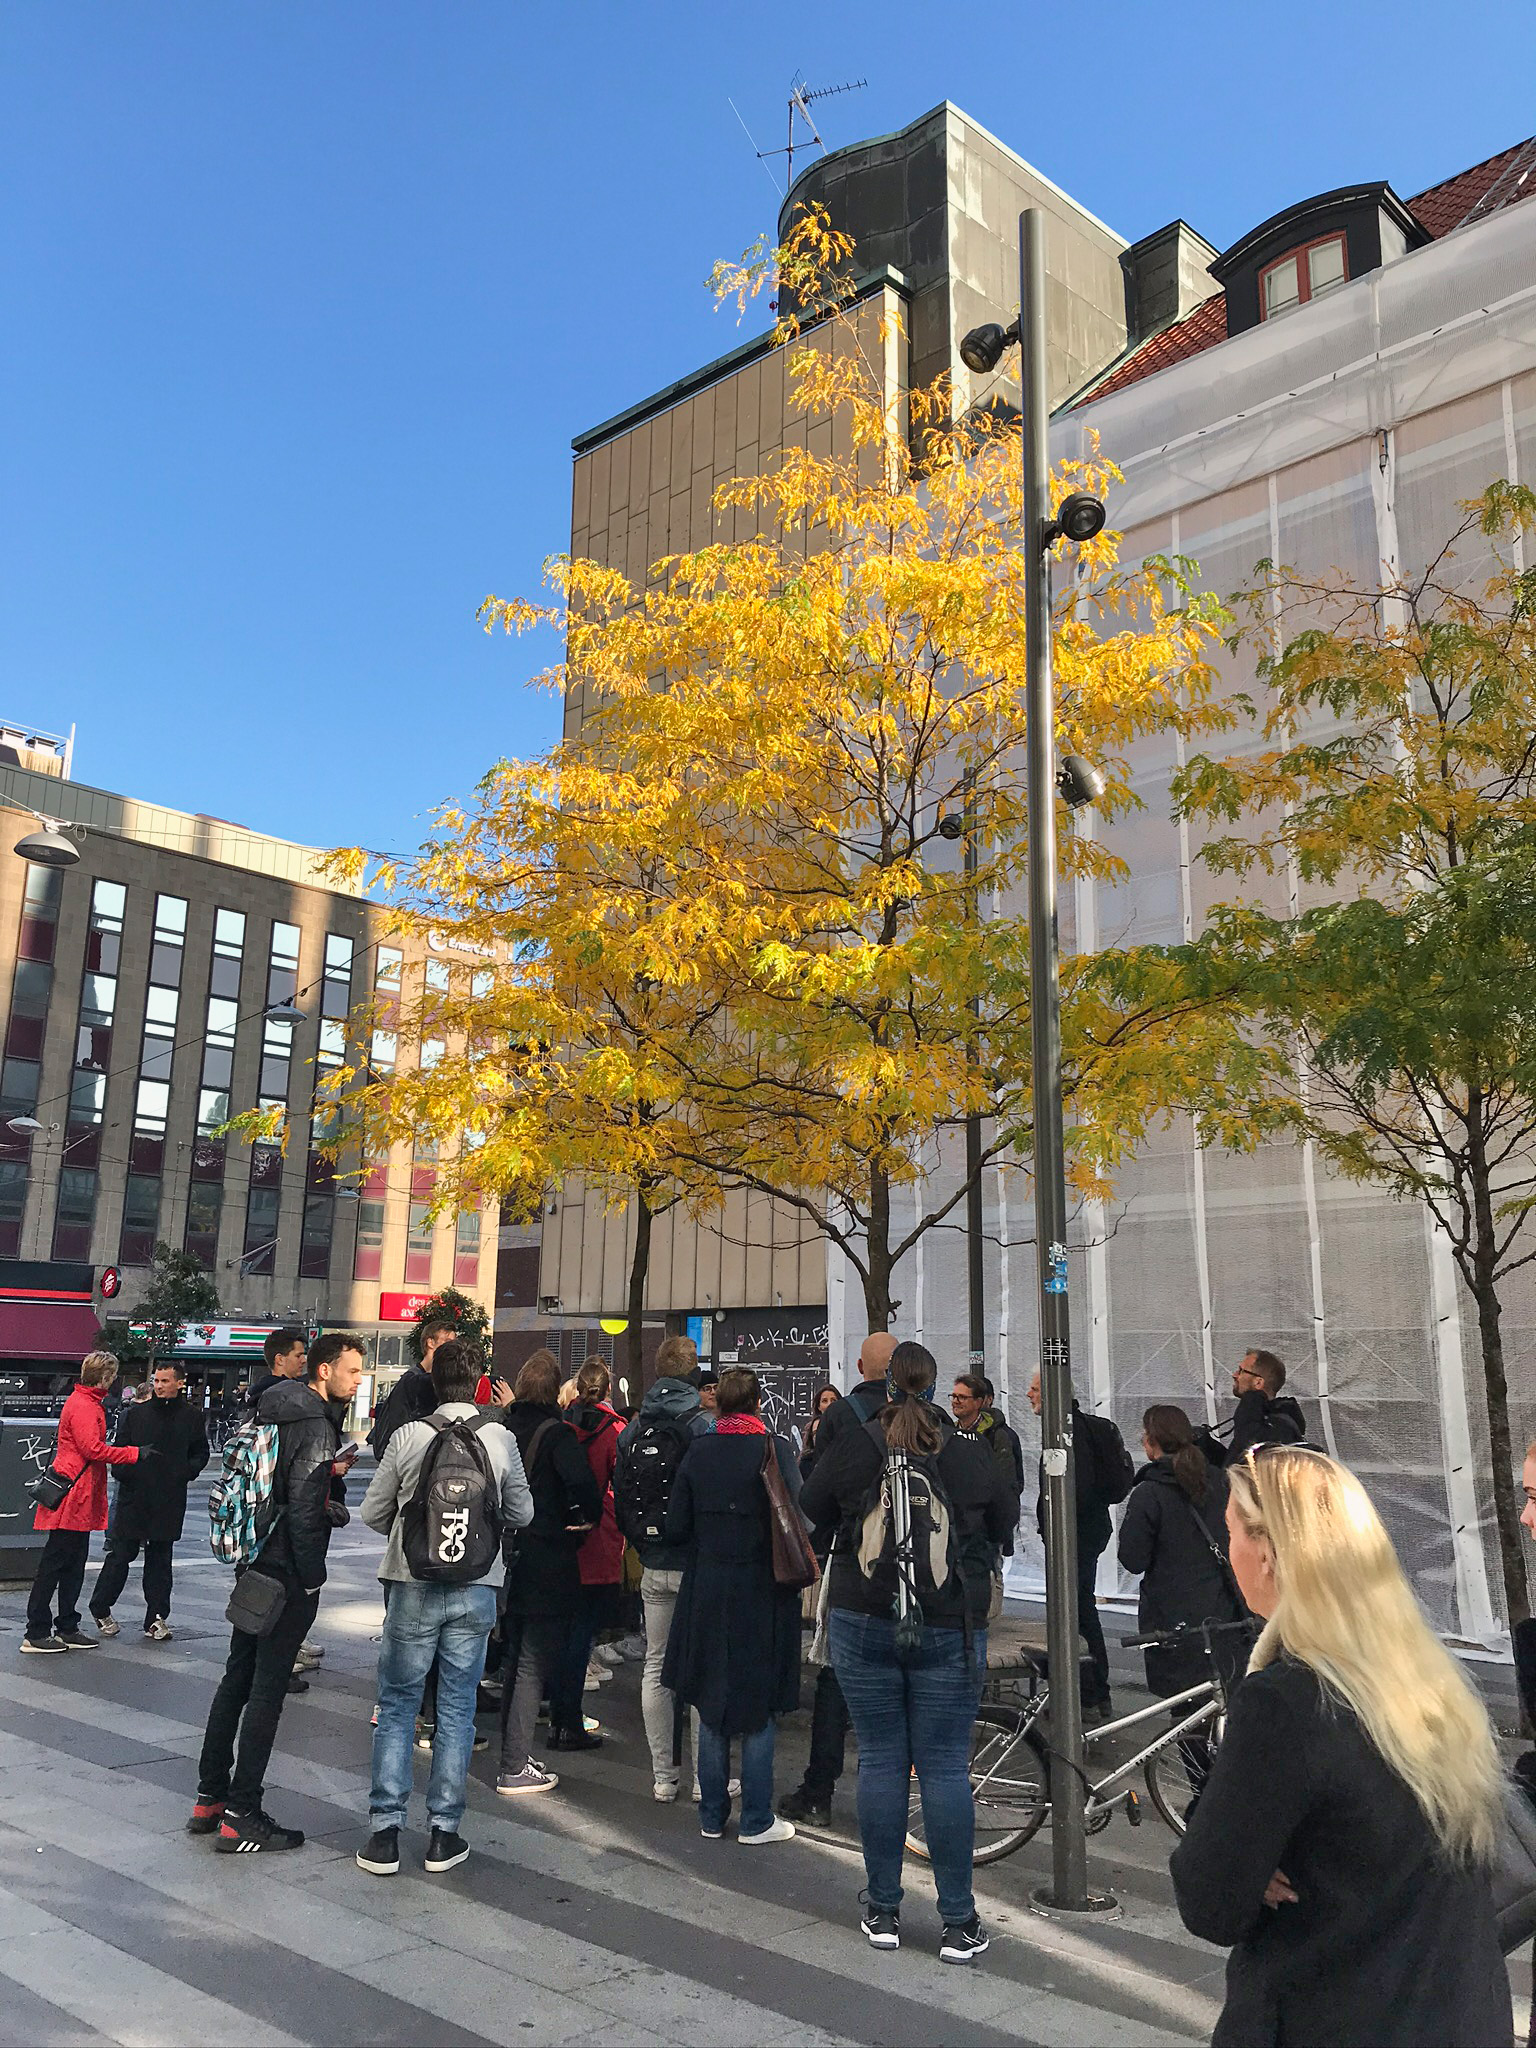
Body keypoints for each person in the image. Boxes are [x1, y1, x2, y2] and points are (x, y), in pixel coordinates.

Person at [1171, 1445, 1511, 2047]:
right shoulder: (1426, 1674)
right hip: (1456, 2011)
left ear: (1272, 1552)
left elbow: (1210, 1900)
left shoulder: (1286, 1700)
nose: (1229, 1554)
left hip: (1334, 2014)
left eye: (1231, 1534)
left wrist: (1238, 1847)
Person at [802, 1340, 1018, 1963]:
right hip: (950, 1623)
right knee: (946, 1767)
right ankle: (958, 1922)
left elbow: (811, 1506)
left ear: (887, 1384)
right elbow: (1005, 1520)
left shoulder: (858, 1443)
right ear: (932, 1388)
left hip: (864, 1619)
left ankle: (884, 1911)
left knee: (880, 1759)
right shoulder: (967, 1452)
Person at [356, 1338, 532, 1876]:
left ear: (433, 1383)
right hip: (477, 1586)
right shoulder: (501, 1437)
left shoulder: (410, 1434)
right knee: (456, 1710)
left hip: (411, 1585)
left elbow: (371, 1511)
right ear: (478, 1382)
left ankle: (384, 1833)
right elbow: (522, 1512)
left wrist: (412, 1533)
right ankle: (443, 1835)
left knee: (398, 1706)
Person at [190, 1332, 365, 1853]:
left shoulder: (270, 1407)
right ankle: (244, 1813)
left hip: (255, 1559)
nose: (359, 1381)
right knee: (268, 1688)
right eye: (353, 1371)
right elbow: (306, 1511)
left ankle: (210, 1798)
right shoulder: (314, 1424)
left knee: (236, 1676)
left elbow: (280, 1484)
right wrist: (312, 1578)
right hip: (288, 1570)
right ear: (324, 1370)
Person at [662, 1365, 801, 1846]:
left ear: (718, 1403)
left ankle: (712, 1815)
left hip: (707, 1585)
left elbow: (676, 1524)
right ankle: (758, 1819)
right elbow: (799, 1520)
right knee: (759, 1706)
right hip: (763, 1588)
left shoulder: (698, 1451)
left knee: (710, 1697)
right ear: (758, 1403)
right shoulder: (775, 1449)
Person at [777, 1334, 903, 1830]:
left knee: (835, 1677)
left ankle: (819, 1790)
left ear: (859, 1366)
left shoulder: (843, 1418)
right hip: (922, 1580)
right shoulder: (931, 1424)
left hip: (854, 1566)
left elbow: (813, 1499)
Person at [1117, 1405, 1247, 1800]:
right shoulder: (1221, 1481)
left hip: (1174, 1621)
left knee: (1188, 1717)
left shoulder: (1149, 1494)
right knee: (1227, 1709)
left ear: (1152, 1443)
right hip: (1226, 1612)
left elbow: (1132, 1559)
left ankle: (1207, 1802)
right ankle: (1233, 1800)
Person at [494, 1350, 601, 1796]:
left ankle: (511, 1751)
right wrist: (588, 1517)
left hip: (502, 1556)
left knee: (513, 1656)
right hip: (545, 1554)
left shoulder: (499, 1429)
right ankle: (515, 1763)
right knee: (533, 1662)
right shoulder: (556, 1434)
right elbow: (583, 1487)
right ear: (556, 1389)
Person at [614, 1333, 712, 1801]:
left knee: (656, 1666)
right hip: (695, 1562)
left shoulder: (635, 1429)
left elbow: (620, 1490)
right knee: (698, 1670)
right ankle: (702, 1781)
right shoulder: (703, 1426)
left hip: (652, 1562)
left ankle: (662, 1778)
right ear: (693, 1372)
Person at [1026, 1369, 1133, 1721]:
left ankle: (1088, 1694)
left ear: (1053, 1393)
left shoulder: (1067, 1432)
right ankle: (1088, 1693)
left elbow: (1077, 1488)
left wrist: (1059, 1531)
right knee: (1078, 1610)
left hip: (1075, 1536)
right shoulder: (1077, 1428)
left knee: (1076, 1613)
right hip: (1081, 1534)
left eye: (1036, 1389)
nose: (1029, 1394)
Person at [24, 1351, 147, 1653]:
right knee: (59, 1563)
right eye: (112, 1375)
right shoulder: (86, 1406)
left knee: (68, 1563)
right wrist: (133, 1453)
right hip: (75, 1493)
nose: (114, 1380)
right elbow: (92, 1449)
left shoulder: (82, 1402)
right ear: (105, 1377)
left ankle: (64, 1625)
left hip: (74, 1489)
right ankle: (40, 1629)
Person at [88, 1360, 208, 1642]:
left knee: (160, 1558)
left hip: (169, 1496)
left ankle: (156, 1617)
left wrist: (187, 1472)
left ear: (180, 1383)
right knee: (121, 1554)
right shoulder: (135, 1415)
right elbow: (118, 1452)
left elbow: (200, 1451)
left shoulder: (192, 1416)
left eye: (166, 1381)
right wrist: (128, 1474)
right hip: (136, 1495)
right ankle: (101, 1606)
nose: (159, 1386)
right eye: (156, 1380)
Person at [547, 1358, 625, 1750]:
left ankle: (557, 1712)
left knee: (565, 1632)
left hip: (562, 1537)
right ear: (608, 1390)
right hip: (600, 1536)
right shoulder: (616, 1431)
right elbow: (622, 1487)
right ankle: (569, 1722)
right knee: (583, 1633)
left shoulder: (561, 1427)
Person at [1201, 1349, 1310, 1466]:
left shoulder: (1272, 1425)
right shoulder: (1274, 1418)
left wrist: (1251, 1400)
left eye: (1241, 1371)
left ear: (1258, 1382)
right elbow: (1234, 1460)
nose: (1234, 1375)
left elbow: (1244, 1461)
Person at [368, 1315, 455, 1459]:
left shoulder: (416, 1377)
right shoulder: (413, 1380)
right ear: (430, 1343)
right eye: (446, 1341)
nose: (452, 1347)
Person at [243, 1326, 309, 1413]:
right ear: (280, 1359)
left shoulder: (255, 1394)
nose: (304, 1360)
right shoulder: (294, 1395)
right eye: (298, 1356)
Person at [798, 1383, 840, 1483]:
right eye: (825, 1401)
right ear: (818, 1406)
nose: (829, 1404)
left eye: (833, 1400)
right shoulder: (806, 1462)